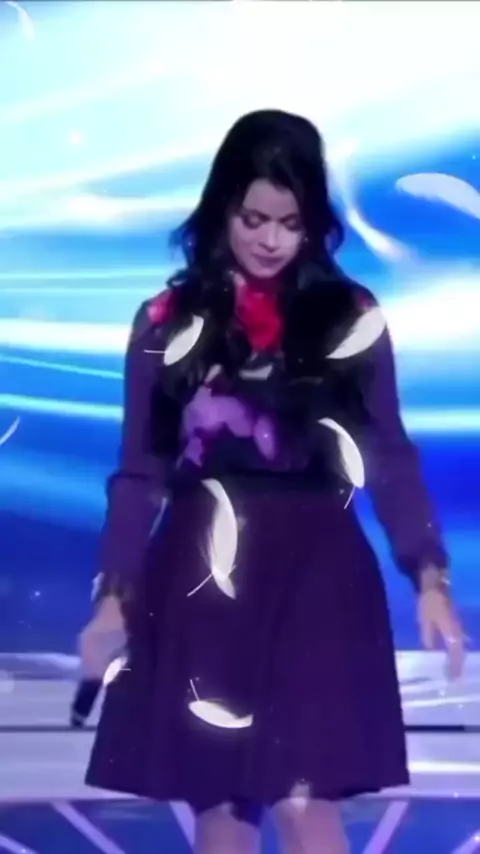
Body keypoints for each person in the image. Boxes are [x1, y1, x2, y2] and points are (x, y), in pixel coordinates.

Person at [80, 109, 465, 854]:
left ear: (313, 223)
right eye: (253, 218)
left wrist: (428, 574)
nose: (269, 239)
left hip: (317, 577)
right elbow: (140, 471)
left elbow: (387, 453)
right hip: (203, 578)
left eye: (289, 223)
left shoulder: (349, 316)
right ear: (221, 208)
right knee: (222, 809)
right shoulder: (166, 322)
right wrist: (113, 597)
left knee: (304, 799)